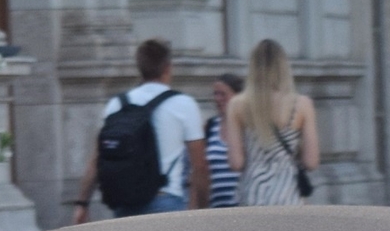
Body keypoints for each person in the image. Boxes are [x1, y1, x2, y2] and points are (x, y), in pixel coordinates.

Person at [71, 39, 208, 221]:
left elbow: (97, 159)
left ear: (139, 67)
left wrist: (82, 203)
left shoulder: (117, 104)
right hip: (165, 201)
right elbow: (199, 166)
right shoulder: (183, 104)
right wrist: (204, 208)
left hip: (124, 204)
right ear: (168, 67)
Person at [224, 38, 320, 207]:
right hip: (288, 196)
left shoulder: (237, 105)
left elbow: (236, 163)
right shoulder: (302, 104)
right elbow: (311, 161)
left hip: (253, 195)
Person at [204, 72, 244, 208]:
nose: (218, 98)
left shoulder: (248, 128)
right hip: (216, 209)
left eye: (223, 94)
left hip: (244, 206)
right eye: (215, 94)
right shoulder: (209, 127)